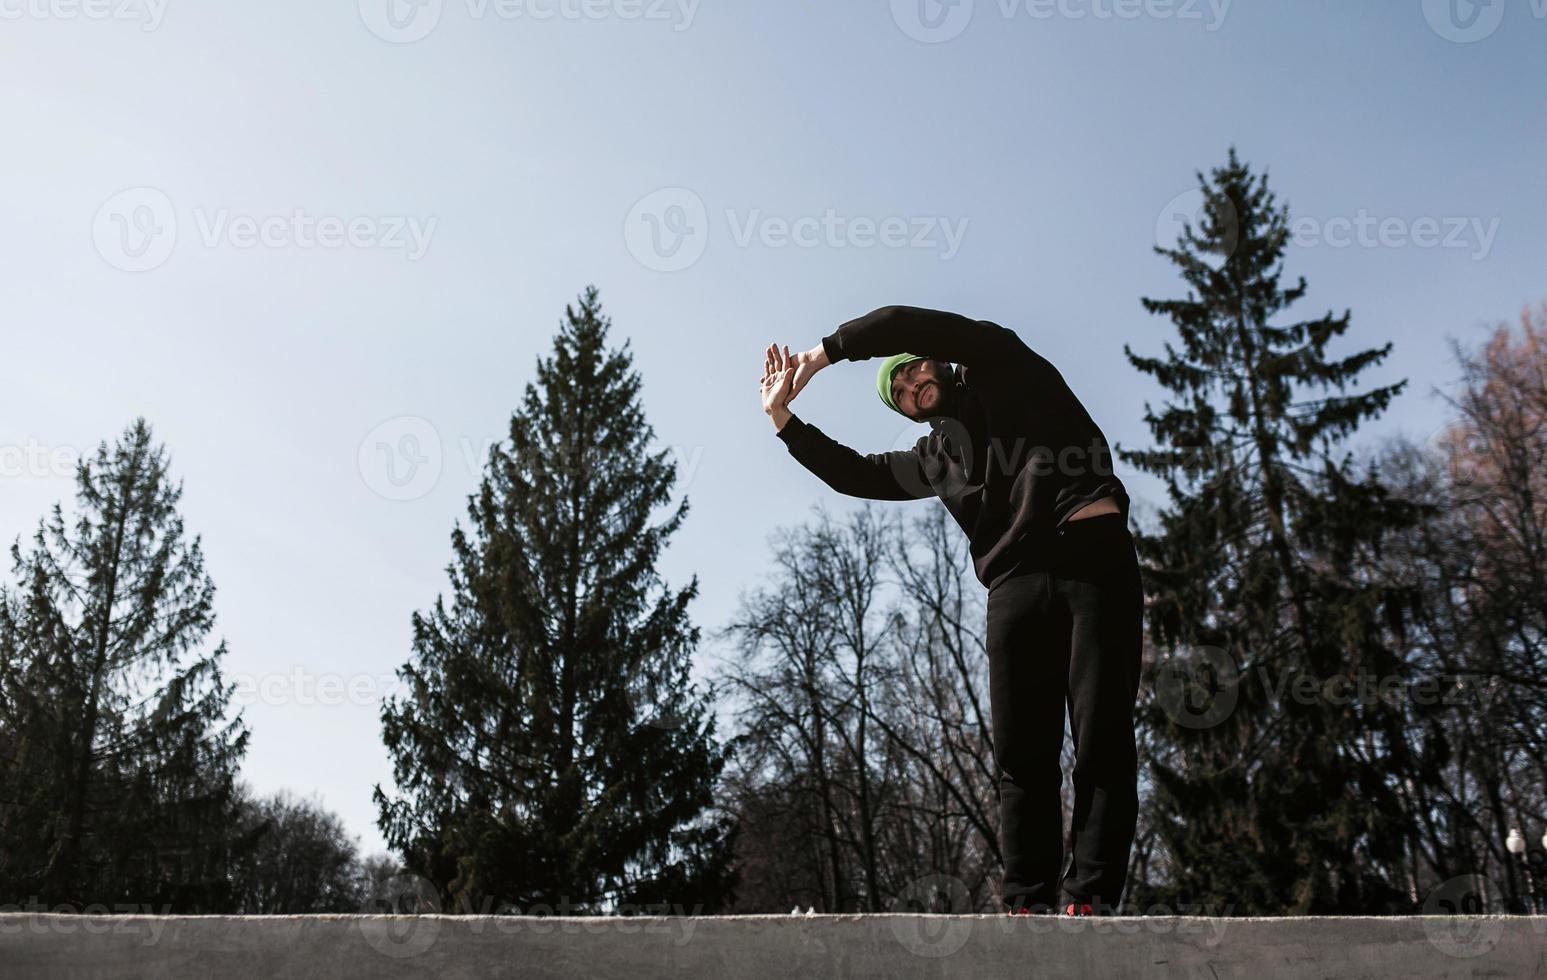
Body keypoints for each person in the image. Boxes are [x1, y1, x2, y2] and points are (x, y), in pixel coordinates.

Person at [759, 305, 1144, 917]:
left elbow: (906, 321)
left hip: (1088, 556)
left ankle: (1090, 897)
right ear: (907, 412)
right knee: (1022, 757)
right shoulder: (934, 459)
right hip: (1012, 590)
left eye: (913, 371)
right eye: (902, 394)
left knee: (1101, 736)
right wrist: (784, 421)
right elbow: (855, 474)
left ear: (936, 359)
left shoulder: (1000, 366)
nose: (913, 387)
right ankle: (1027, 902)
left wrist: (826, 353)